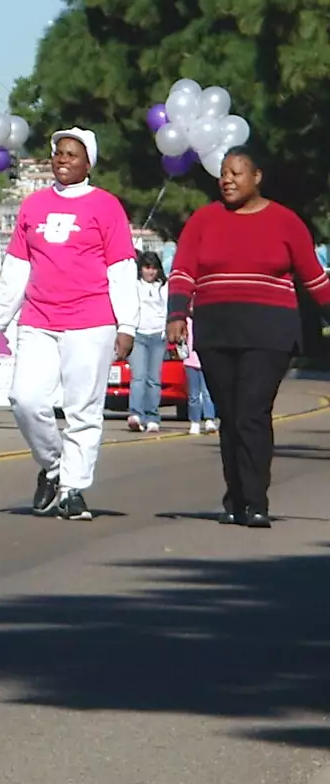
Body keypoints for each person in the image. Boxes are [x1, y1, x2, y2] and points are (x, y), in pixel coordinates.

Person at [0, 128, 137, 522]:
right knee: (25, 399)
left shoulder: (106, 206)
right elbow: (16, 270)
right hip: (38, 319)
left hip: (91, 321)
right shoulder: (33, 206)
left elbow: (121, 269)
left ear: (88, 164)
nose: (63, 160)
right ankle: (52, 466)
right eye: (58, 154)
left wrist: (127, 325)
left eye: (72, 155)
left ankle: (73, 489)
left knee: (83, 409)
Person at [167, 146, 330, 526]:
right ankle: (235, 498)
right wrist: (176, 313)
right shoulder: (203, 221)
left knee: (252, 413)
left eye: (237, 172)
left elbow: (314, 278)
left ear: (257, 177)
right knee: (230, 415)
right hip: (216, 329)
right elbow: (183, 270)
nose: (227, 179)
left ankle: (256, 501)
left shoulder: (286, 222)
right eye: (224, 172)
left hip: (270, 330)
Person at [127, 250, 168, 432]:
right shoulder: (134, 285)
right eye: (146, 267)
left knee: (154, 379)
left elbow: (169, 308)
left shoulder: (164, 286)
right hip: (139, 335)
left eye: (153, 268)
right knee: (138, 377)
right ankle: (136, 414)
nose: (150, 272)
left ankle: (152, 416)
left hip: (158, 336)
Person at [182, 319, 217, 436]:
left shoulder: (206, 320)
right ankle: (195, 422)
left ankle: (209, 420)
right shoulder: (186, 321)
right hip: (190, 362)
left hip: (206, 361)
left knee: (207, 393)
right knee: (193, 395)